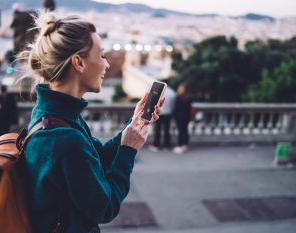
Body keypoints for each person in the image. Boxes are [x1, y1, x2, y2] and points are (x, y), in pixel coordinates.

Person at [18, 12, 164, 233]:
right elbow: (105, 207)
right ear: (78, 62)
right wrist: (127, 151)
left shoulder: (53, 114)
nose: (106, 65)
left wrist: (131, 129)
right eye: (102, 55)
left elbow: (93, 164)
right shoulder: (65, 138)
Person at [149, 80, 176, 152]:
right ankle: (166, 145)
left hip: (158, 113)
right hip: (168, 113)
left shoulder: (158, 91)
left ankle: (156, 145)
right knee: (167, 130)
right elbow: (173, 104)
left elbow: (153, 102)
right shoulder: (172, 92)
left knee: (157, 130)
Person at [172, 82, 193, 154]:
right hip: (187, 116)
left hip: (179, 116)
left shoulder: (178, 96)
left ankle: (180, 145)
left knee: (180, 131)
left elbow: (175, 108)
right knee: (185, 130)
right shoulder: (189, 96)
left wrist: (174, 116)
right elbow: (189, 107)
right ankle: (185, 145)